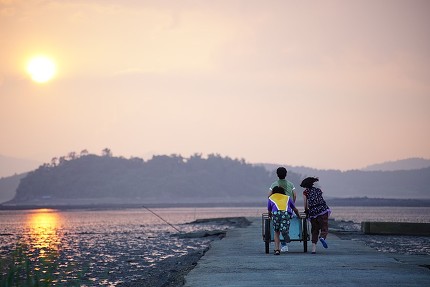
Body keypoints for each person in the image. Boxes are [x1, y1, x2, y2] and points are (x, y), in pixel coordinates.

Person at [269, 167, 297, 252]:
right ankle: (285, 239)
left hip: (276, 209)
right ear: (286, 174)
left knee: (277, 229)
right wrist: (291, 205)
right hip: (288, 208)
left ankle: (282, 245)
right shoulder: (291, 184)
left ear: (277, 174)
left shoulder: (274, 184)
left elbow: (269, 196)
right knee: (285, 224)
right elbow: (294, 195)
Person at [301, 177, 331, 254]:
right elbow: (320, 199)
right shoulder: (318, 190)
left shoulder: (305, 192)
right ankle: (322, 237)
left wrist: (306, 210)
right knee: (324, 227)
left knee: (314, 230)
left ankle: (313, 249)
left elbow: (305, 204)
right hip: (322, 210)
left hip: (313, 213)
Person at [267, 186, 301, 255]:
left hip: (275, 213)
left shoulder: (271, 198)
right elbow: (295, 209)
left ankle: (277, 249)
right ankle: (284, 232)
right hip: (285, 213)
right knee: (285, 225)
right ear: (283, 192)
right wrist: (299, 216)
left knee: (276, 232)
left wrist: (270, 216)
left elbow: (269, 211)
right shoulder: (287, 197)